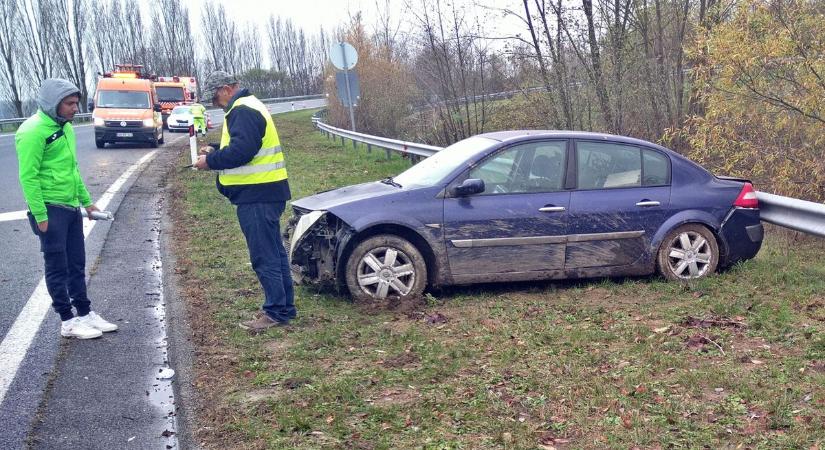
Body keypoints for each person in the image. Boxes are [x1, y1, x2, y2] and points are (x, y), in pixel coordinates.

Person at [16, 79, 119, 339]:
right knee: (57, 266)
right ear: (54, 104)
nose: (75, 108)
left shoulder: (67, 128)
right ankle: (67, 321)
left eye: (76, 103)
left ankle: (85, 313)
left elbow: (72, 170)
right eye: (70, 104)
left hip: (71, 207)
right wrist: (40, 216)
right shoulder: (32, 131)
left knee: (76, 263)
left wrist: (86, 202)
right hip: (50, 210)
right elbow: (28, 177)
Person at [194, 71, 296, 331]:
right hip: (265, 194)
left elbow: (243, 151)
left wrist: (211, 162)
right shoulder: (248, 106)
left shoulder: (242, 109)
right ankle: (284, 308)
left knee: (265, 256)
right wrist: (217, 149)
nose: (215, 102)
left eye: (215, 96)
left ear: (227, 88)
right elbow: (246, 143)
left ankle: (275, 311)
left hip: (257, 196)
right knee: (274, 253)